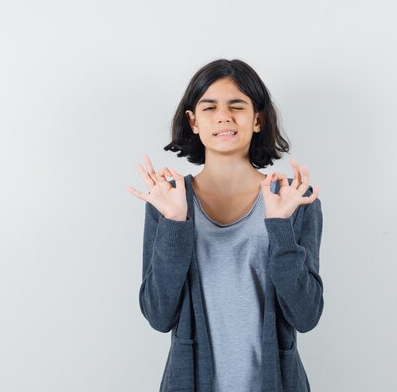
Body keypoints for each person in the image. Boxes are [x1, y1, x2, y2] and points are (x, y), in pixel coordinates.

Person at [126, 58, 324, 392]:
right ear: (193, 121)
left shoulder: (293, 199)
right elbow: (159, 315)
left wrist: (279, 225)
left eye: (237, 106)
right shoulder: (168, 201)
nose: (223, 117)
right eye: (209, 107)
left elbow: (306, 316)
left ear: (257, 119)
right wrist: (175, 223)